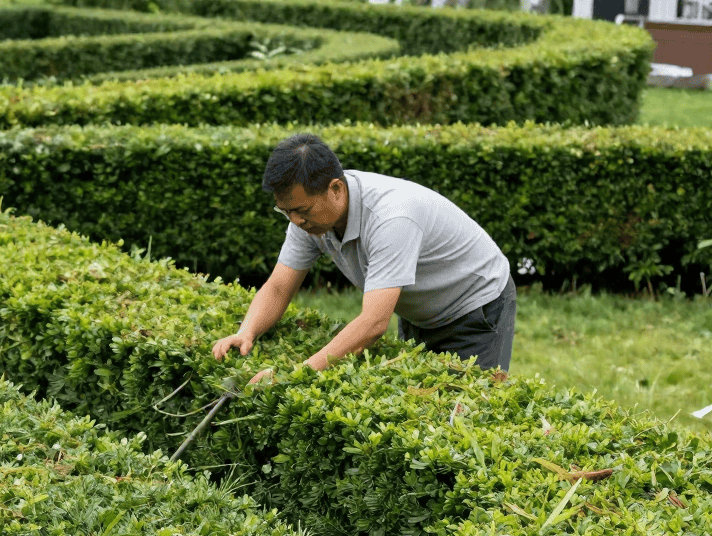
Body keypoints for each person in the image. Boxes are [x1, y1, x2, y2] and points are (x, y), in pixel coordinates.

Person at [212, 133, 516, 379]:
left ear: (335, 188)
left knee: (465, 417)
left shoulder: (391, 219)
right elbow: (279, 286)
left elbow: (373, 323)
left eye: (301, 210)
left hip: (477, 307)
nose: (294, 221)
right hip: (421, 311)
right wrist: (246, 332)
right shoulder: (308, 220)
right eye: (285, 211)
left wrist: (296, 376)